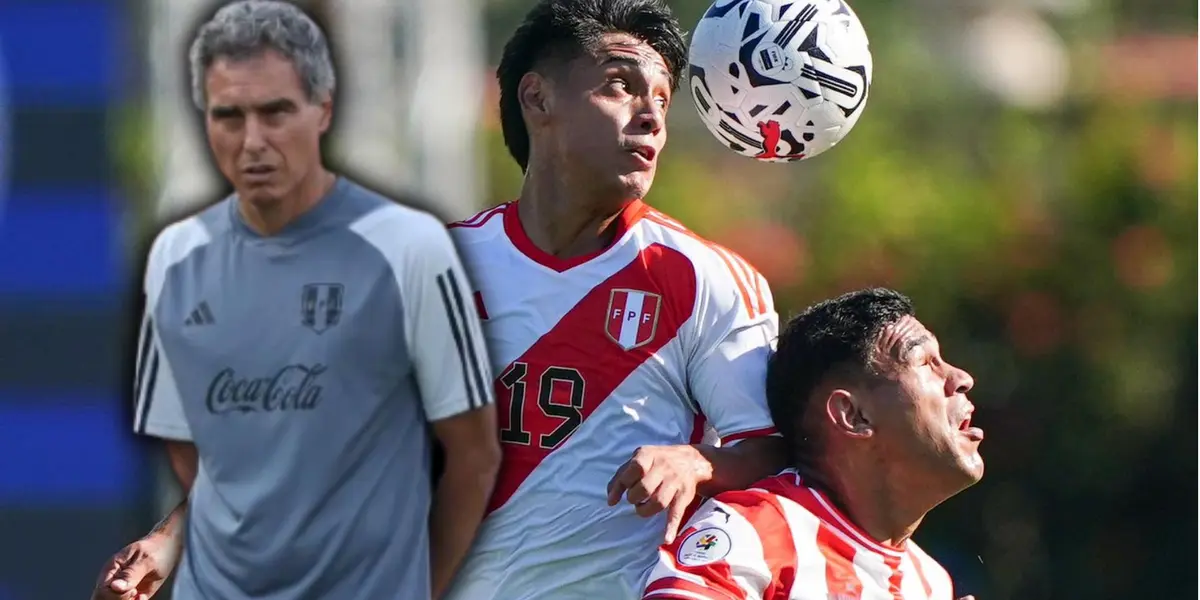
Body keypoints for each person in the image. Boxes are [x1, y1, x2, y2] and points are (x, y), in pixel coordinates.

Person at [90, 2, 500, 599]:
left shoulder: (408, 248)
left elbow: (473, 456)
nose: (252, 140)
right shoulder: (176, 257)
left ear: (323, 109)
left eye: (275, 112)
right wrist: (167, 541)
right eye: (229, 115)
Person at [443, 1, 786, 598]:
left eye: (661, 98)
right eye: (620, 86)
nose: (651, 116)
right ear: (537, 99)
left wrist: (700, 463)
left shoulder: (702, 279)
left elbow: (779, 453)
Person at [640, 288, 984, 600]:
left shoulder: (930, 582)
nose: (961, 379)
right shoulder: (752, 537)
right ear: (852, 415)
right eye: (925, 362)